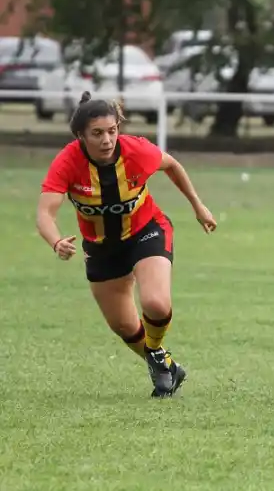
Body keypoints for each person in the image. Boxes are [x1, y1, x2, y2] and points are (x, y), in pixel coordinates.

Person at [36, 92, 217, 398]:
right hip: (102, 249)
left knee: (156, 304)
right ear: (80, 135)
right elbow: (44, 212)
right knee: (124, 327)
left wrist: (198, 206)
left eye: (112, 130)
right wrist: (55, 241)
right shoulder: (68, 161)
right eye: (97, 133)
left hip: (146, 232)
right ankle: (166, 364)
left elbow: (172, 165)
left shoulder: (135, 150)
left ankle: (157, 357)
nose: (107, 140)